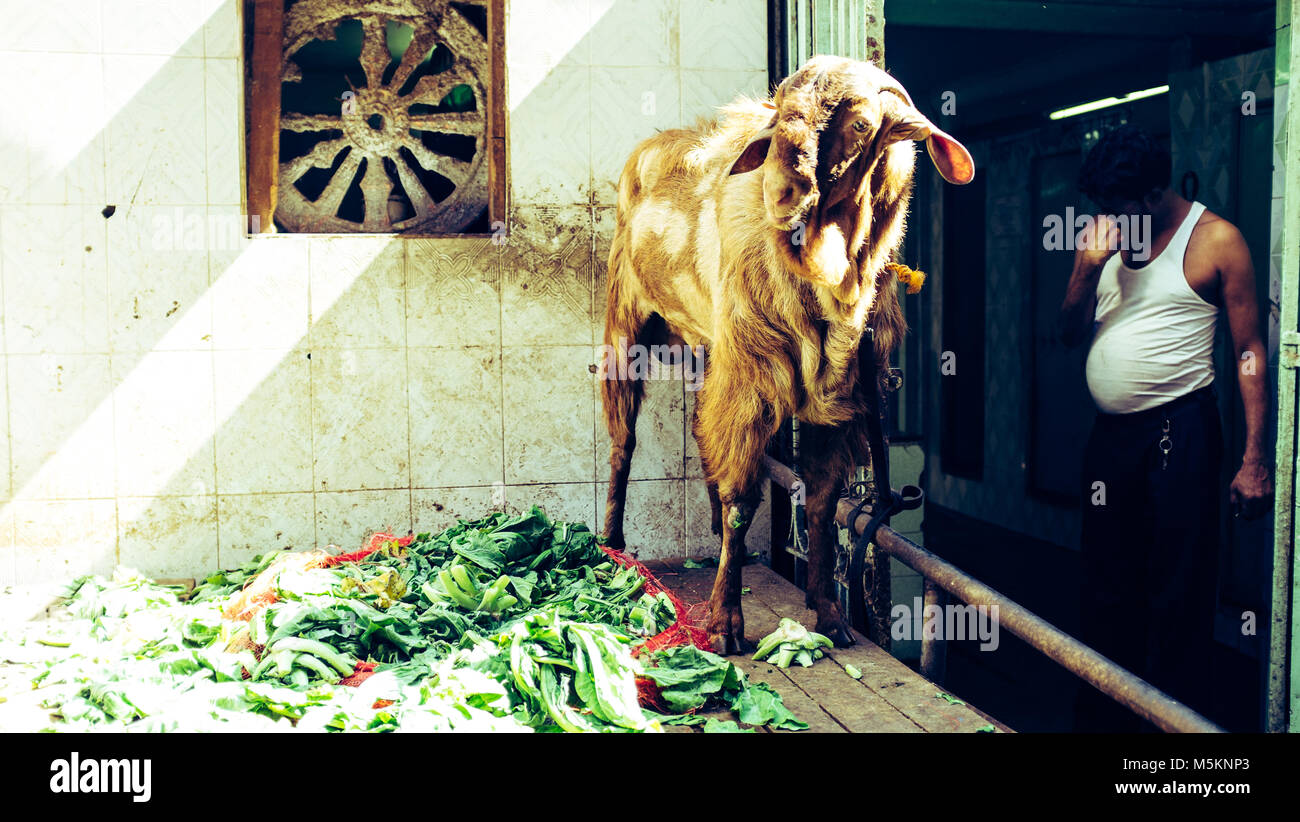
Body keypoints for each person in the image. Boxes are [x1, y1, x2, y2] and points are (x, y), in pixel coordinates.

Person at [1057, 124, 1272, 731]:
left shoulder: (1216, 242)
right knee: (1104, 588)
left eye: (1118, 210)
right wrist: (1083, 269)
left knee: (1176, 592)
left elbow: (1250, 351)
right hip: (1111, 443)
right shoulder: (1103, 244)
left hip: (1182, 434)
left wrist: (1256, 459)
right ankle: (1102, 722)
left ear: (1153, 196)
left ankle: (1175, 738)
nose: (1108, 222)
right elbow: (1067, 334)